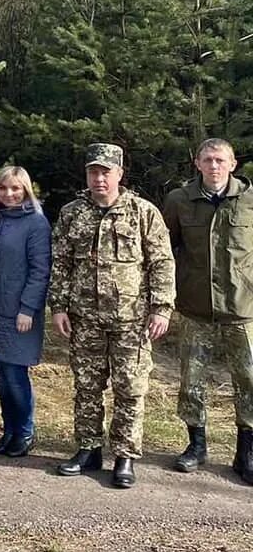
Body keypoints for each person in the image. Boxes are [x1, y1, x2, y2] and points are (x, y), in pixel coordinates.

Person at [51, 143, 175, 489]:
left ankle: (124, 456)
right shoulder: (72, 213)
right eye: (94, 171)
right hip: (84, 318)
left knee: (130, 389)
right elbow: (60, 262)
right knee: (87, 387)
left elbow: (162, 262)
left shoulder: (142, 212)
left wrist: (161, 308)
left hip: (131, 321)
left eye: (106, 171)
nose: (99, 178)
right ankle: (88, 449)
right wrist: (58, 306)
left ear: (120, 173)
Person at [163, 139, 253, 484]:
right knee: (191, 381)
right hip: (195, 307)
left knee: (248, 381)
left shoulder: (248, 201)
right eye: (207, 160)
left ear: (232, 164)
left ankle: (245, 451)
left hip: (242, 309)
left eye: (220, 160)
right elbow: (163, 248)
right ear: (197, 164)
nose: (213, 166)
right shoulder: (179, 201)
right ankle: (195, 446)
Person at [0, 166, 51, 457]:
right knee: (1, 375)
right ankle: (8, 431)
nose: (9, 194)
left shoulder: (36, 223)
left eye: (16, 189)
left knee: (15, 375)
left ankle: (24, 432)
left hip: (20, 313)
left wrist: (28, 308)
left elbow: (40, 270)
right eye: (3, 189)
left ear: (26, 191)